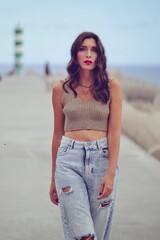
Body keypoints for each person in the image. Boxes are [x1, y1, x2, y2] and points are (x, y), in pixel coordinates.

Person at [49, 31, 122, 240]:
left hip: (102, 159)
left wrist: (111, 174)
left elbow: (115, 133)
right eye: (83, 49)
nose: (88, 54)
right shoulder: (60, 89)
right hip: (68, 161)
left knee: (98, 233)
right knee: (85, 235)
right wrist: (53, 178)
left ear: (99, 56)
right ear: (75, 54)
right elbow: (57, 134)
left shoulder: (111, 87)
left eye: (93, 49)